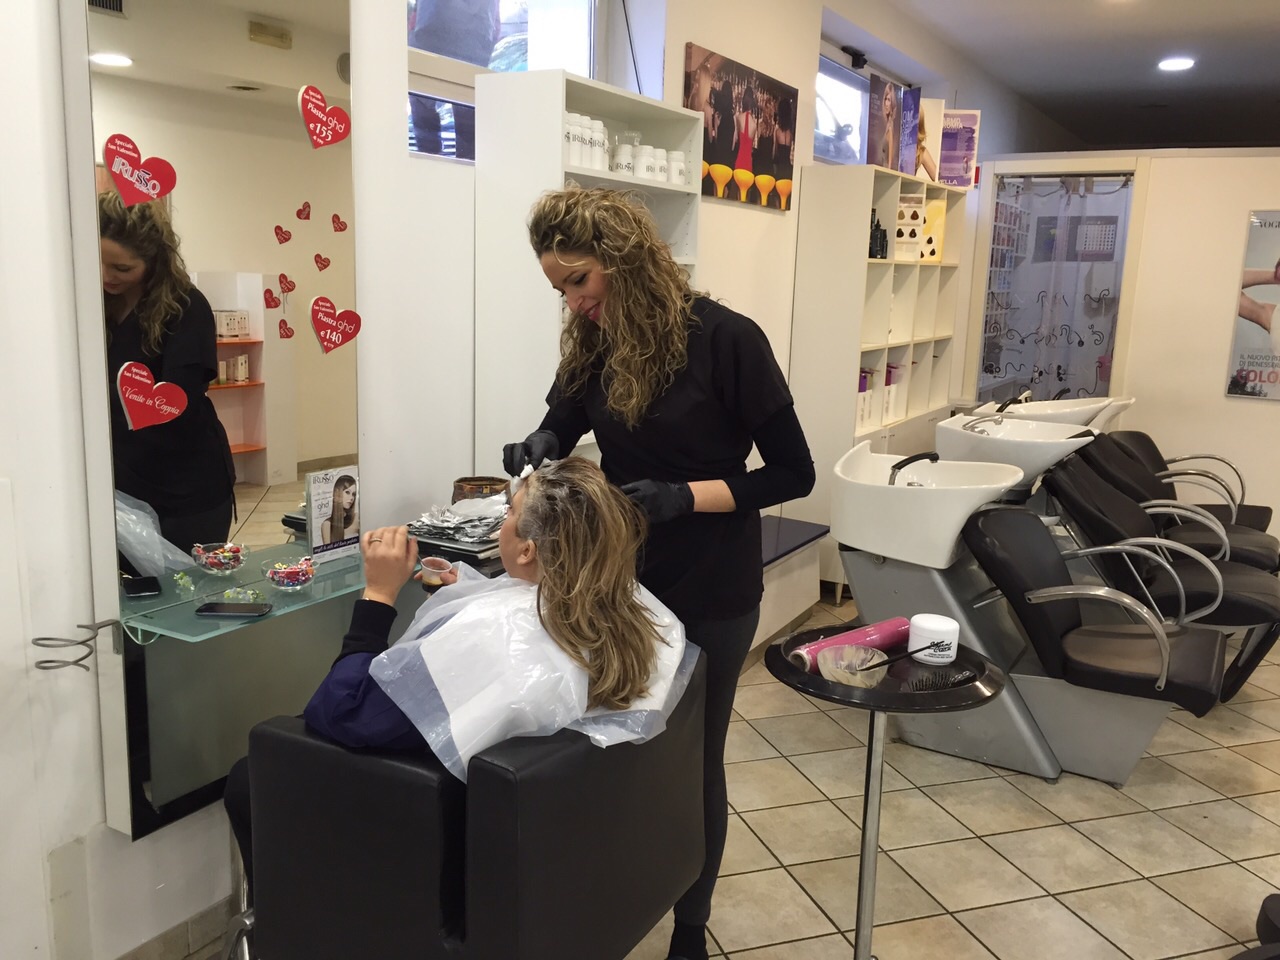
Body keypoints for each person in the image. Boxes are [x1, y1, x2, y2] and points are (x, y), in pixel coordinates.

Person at [504, 187, 815, 960]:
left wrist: (685, 497)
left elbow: (793, 473)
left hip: (711, 581)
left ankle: (690, 929)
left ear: (624, 259)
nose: (574, 303)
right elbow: (563, 420)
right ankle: (621, 900)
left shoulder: (726, 340)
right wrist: (540, 443)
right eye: (559, 289)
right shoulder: (593, 340)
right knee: (618, 751)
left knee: (692, 759)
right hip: (620, 580)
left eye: (580, 281)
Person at [223, 456, 688, 899]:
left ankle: (291, 923)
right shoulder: (629, 614)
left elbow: (340, 711)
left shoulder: (494, 639)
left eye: (509, 514)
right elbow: (527, 611)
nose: (502, 523)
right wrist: (469, 594)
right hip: (542, 844)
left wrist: (378, 596)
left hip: (427, 828)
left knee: (249, 777)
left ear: (527, 550)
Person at [99, 190, 235, 555]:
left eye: (122, 268)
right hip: (120, 484)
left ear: (154, 260)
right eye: (98, 263)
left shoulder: (185, 307)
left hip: (186, 487)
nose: (106, 276)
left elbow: (179, 403)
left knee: (189, 584)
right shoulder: (93, 304)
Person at [321, 474, 358, 544]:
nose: (351, 498)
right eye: (347, 492)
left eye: (353, 494)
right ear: (337, 493)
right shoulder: (327, 525)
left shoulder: (356, 518)